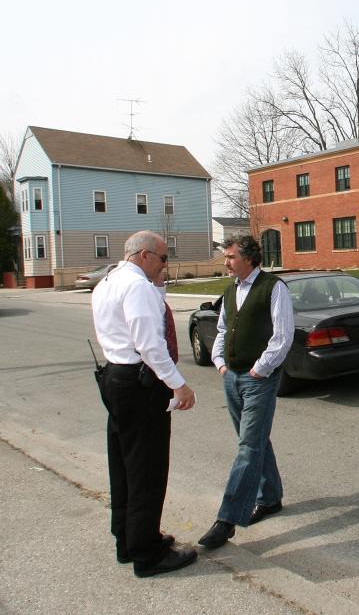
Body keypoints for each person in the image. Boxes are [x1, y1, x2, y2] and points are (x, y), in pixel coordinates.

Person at [91, 231, 197, 578]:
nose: (166, 265)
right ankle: (147, 553)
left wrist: (159, 283)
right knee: (147, 469)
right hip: (140, 382)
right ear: (145, 255)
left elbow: (147, 315)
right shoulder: (136, 287)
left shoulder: (109, 281)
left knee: (123, 464)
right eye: (163, 259)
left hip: (115, 377)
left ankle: (128, 539)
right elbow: (151, 345)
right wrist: (179, 386)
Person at [199, 235, 294, 550]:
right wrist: (219, 361)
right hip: (232, 377)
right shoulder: (230, 290)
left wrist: (260, 369)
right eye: (226, 256)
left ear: (250, 258)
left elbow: (282, 336)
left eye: (230, 256)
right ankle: (270, 498)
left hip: (258, 380)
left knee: (248, 448)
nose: (226, 262)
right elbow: (224, 329)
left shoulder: (273, 288)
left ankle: (226, 520)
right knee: (254, 442)